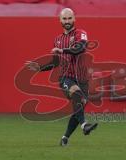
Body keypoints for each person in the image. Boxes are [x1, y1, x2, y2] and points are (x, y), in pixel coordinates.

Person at [25, 8, 98, 146]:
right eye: (64, 19)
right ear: (60, 20)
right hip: (66, 78)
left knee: (79, 106)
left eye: (69, 18)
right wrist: (39, 68)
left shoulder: (80, 33)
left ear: (74, 19)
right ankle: (85, 126)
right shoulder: (57, 40)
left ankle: (65, 138)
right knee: (77, 94)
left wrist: (63, 50)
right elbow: (55, 62)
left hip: (82, 79)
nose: (67, 21)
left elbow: (80, 49)